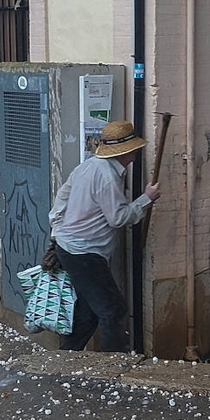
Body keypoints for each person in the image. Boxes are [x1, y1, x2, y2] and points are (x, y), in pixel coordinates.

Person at [47, 120, 160, 352]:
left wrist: (57, 235)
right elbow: (117, 218)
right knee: (113, 310)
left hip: (71, 248)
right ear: (128, 151)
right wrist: (146, 199)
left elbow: (60, 201)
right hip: (85, 253)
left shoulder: (86, 167)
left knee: (89, 312)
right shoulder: (108, 177)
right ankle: (112, 368)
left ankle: (67, 356)